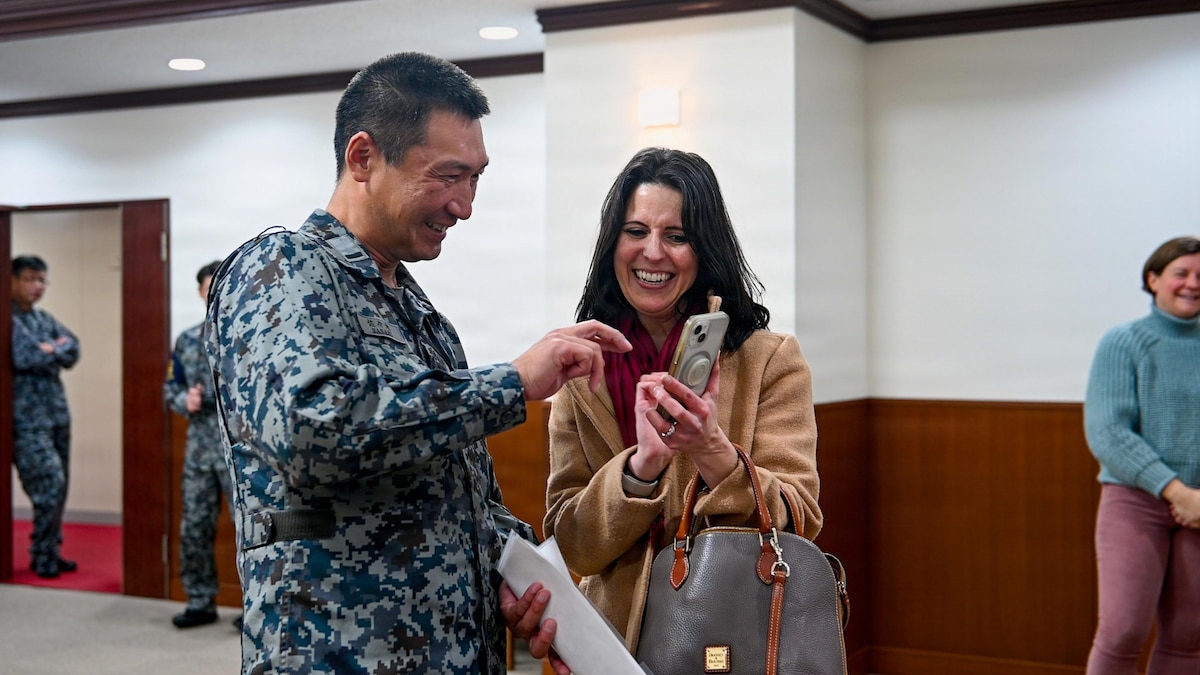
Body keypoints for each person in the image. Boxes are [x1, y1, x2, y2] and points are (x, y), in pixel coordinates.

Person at [203, 52, 629, 674]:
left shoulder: (416, 310)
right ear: (363, 158)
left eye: (476, 178)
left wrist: (523, 579)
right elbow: (315, 433)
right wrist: (510, 381)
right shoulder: (282, 268)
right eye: (447, 176)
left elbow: (454, 492)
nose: (465, 206)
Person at [543, 147, 823, 652]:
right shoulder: (583, 368)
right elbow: (573, 547)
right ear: (612, 244)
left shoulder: (768, 360)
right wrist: (643, 468)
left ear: (705, 249)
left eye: (677, 236)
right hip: (611, 646)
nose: (653, 253)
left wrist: (711, 450)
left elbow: (799, 517)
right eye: (635, 231)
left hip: (731, 637)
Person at [1084, 236, 1200, 675]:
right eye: (1181, 273)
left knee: (1189, 638)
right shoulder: (1123, 342)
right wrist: (1177, 492)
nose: (1192, 284)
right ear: (1153, 280)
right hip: (1135, 503)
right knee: (1122, 634)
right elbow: (1108, 433)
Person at [165, 259, 240, 629]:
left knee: (250, 530)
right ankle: (199, 600)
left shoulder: (247, 334)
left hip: (241, 449)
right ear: (199, 292)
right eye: (207, 288)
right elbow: (171, 387)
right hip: (198, 449)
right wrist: (185, 402)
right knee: (194, 526)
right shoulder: (186, 339)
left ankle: (255, 607)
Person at [11, 254, 81, 579]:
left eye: (42, 280)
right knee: (49, 485)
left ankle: (49, 552)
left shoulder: (42, 319)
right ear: (12, 280)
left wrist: (52, 349)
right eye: (30, 279)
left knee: (60, 486)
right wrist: (53, 349)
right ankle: (41, 552)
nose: (37, 286)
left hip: (56, 416)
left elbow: (74, 349)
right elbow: (25, 356)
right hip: (26, 420)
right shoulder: (8, 319)